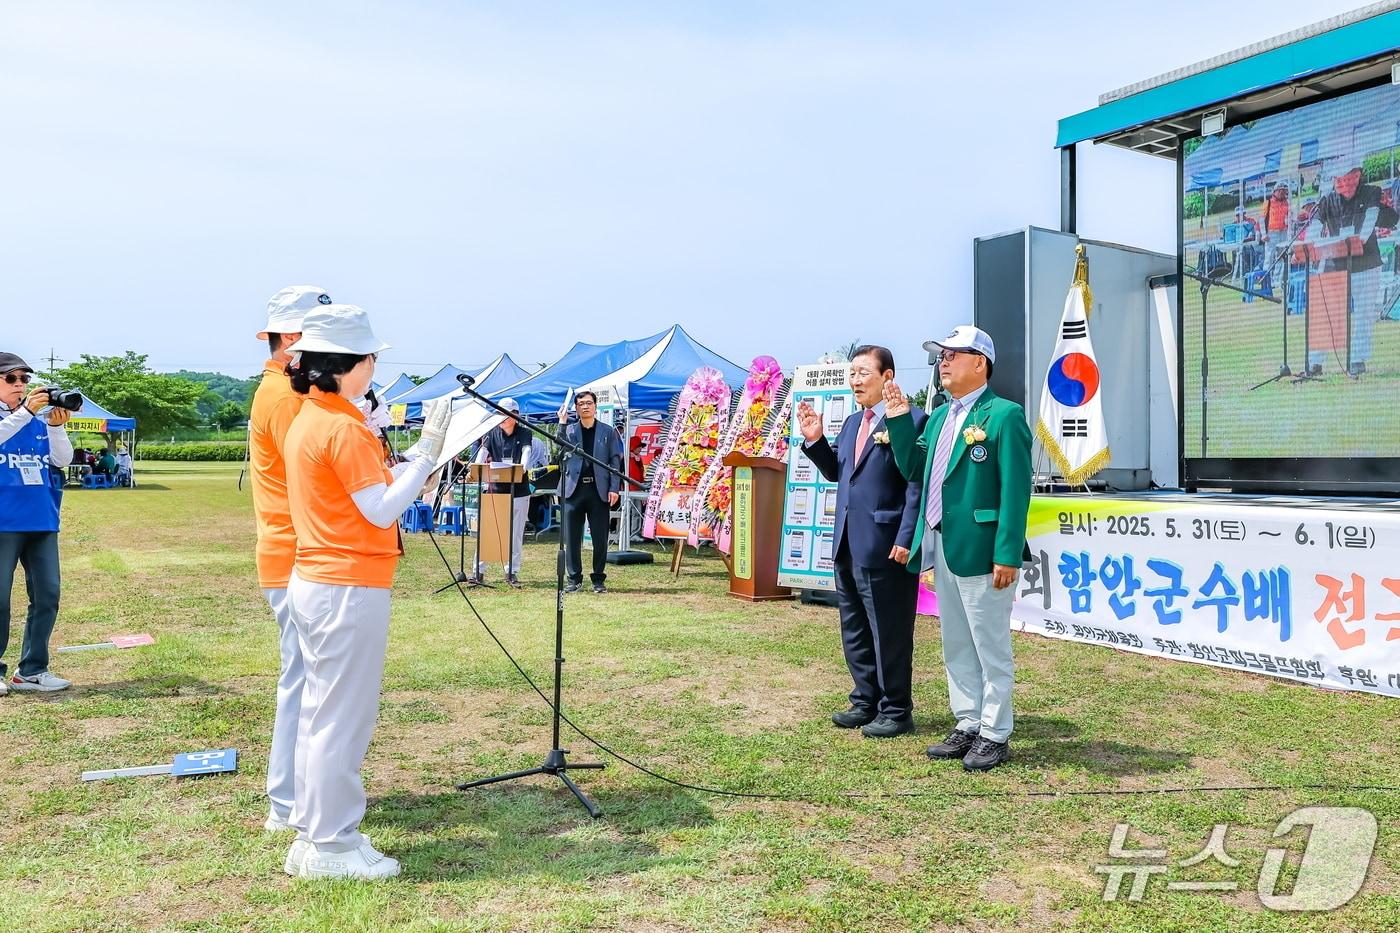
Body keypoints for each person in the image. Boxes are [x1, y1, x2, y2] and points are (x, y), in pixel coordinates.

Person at [280, 304, 451, 880]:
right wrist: (426, 456)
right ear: (353, 364)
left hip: (321, 577)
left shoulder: (314, 416)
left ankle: (315, 834)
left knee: (320, 713)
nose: (375, 366)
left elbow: (366, 493)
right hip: (347, 582)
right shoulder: (343, 426)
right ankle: (333, 844)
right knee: (342, 718)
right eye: (372, 357)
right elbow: (379, 510)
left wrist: (414, 466)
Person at [883, 326, 1031, 772]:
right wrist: (898, 419)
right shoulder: (939, 418)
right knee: (956, 643)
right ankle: (968, 721)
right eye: (940, 356)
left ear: (979, 363)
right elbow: (914, 468)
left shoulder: (1004, 415)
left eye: (953, 355)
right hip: (943, 544)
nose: (943, 363)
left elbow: (1016, 491)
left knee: (990, 645)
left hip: (983, 549)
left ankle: (995, 733)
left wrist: (1007, 553)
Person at [796, 345, 927, 739]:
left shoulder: (911, 420)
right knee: (854, 626)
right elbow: (839, 472)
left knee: (889, 630)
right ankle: (864, 700)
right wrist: (816, 441)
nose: (855, 380)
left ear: (888, 377)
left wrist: (906, 537)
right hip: (848, 542)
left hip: (887, 544)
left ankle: (896, 709)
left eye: (863, 373)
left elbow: (916, 484)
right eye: (852, 373)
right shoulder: (854, 422)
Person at [247, 285, 331, 838]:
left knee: (308, 676)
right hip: (295, 551)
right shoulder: (282, 397)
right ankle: (287, 800)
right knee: (302, 679)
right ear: (293, 339)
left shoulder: (289, 391)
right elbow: (310, 474)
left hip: (299, 549)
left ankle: (297, 792)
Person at [0, 353, 75, 695]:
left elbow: (62, 459)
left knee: (47, 594)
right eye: (11, 378)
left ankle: (31, 670)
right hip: (4, 522)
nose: (20, 385)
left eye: (24, 379)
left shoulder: (36, 419)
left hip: (41, 519)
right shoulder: (22, 416)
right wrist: (26, 412)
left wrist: (56, 427)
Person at [1304, 159, 1385, 377]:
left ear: (1357, 176)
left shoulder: (1371, 193)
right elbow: (1315, 225)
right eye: (1338, 180)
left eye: (1347, 179)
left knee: (1364, 313)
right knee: (1324, 312)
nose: (1343, 184)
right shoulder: (1327, 200)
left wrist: (1359, 239)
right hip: (1334, 262)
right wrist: (1309, 245)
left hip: (1366, 262)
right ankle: (1315, 363)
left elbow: (1370, 221)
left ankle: (1357, 359)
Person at [470, 397, 548, 589]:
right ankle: (479, 571)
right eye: (499, 413)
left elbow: (526, 452)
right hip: (496, 488)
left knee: (515, 532)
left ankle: (511, 571)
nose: (502, 418)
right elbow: (482, 452)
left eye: (506, 414)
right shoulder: (491, 432)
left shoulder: (525, 432)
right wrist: (477, 467)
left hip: (519, 489)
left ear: (515, 416)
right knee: (489, 531)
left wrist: (521, 468)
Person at [556, 390, 623, 593]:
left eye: (588, 403)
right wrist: (561, 423)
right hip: (573, 489)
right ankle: (574, 579)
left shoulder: (608, 431)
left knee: (600, 538)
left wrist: (614, 488)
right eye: (581, 404)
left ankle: (598, 579)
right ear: (576, 408)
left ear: (595, 406)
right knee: (572, 538)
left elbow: (615, 462)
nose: (585, 406)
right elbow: (559, 451)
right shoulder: (569, 430)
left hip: (598, 490)